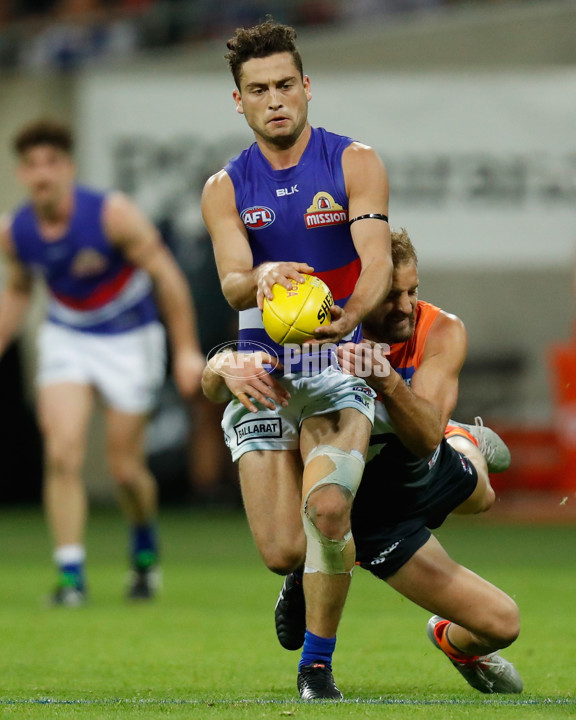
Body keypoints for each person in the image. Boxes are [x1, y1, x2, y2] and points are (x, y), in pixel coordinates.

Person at [203, 229, 523, 696]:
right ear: (355, 291)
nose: (407, 305)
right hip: (372, 516)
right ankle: (310, 563)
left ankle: (465, 437)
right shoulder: (311, 333)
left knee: (483, 499)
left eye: (412, 291)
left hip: (418, 467)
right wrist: (223, 364)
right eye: (391, 295)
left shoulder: (440, 330)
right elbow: (249, 386)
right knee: (502, 620)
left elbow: (425, 439)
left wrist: (388, 381)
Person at [201, 18, 392, 700]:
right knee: (283, 548)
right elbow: (230, 280)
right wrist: (261, 275)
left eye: (286, 85)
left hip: (337, 355)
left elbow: (375, 263)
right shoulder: (224, 186)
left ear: (307, 87)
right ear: (239, 101)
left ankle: (316, 665)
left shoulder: (353, 162)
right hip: (262, 365)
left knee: (331, 509)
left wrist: (345, 318)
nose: (275, 99)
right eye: (259, 89)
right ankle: (297, 574)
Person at [0, 119, 205, 606]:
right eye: (31, 165)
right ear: (22, 173)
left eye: (51, 162)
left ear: (68, 167)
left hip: (130, 339)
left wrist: (186, 349)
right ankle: (71, 576)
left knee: (124, 468)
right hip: (67, 336)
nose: (42, 174)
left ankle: (143, 546)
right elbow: (20, 288)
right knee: (62, 453)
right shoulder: (17, 231)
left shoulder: (112, 214)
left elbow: (167, 277)